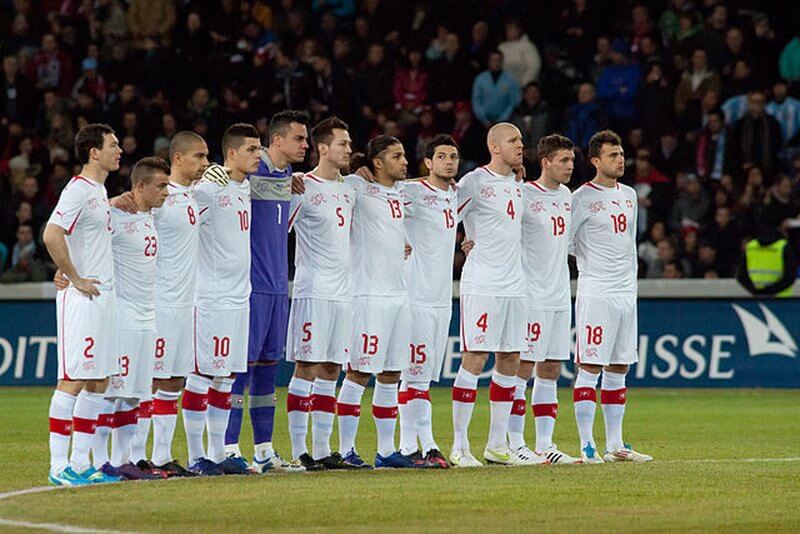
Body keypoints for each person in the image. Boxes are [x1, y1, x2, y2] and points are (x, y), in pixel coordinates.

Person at [224, 111, 309, 473]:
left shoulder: (288, 176)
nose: (305, 145)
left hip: (278, 286)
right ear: (277, 140)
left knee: (267, 370)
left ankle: (263, 450)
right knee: (238, 370)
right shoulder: (247, 172)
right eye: (299, 139)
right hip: (251, 288)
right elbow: (216, 177)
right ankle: (227, 449)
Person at [43, 123, 123, 485]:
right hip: (81, 299)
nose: (119, 149)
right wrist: (72, 275)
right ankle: (59, 467)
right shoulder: (77, 190)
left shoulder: (99, 193)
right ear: (93, 152)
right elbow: (51, 233)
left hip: (102, 298)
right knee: (72, 379)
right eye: (113, 144)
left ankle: (80, 463)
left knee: (98, 381)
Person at [569, 130, 652, 463]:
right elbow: (566, 244)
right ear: (595, 161)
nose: (620, 160)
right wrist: (592, 263)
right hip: (597, 292)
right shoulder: (581, 198)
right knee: (590, 366)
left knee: (619, 367)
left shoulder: (630, 195)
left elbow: (629, 242)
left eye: (621, 154)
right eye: (613, 155)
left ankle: (615, 444)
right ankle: (587, 444)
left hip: (625, 293)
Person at [183, 124, 259, 475]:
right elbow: (177, 217)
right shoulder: (211, 188)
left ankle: (217, 454)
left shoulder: (245, 187)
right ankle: (197, 456)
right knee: (201, 376)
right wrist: (199, 187)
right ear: (231, 154)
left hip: (238, 297)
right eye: (252, 150)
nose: (258, 155)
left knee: (226, 379)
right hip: (211, 297)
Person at [335, 136, 414, 469]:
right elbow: (330, 180)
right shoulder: (356, 186)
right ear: (377, 163)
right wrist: (355, 166)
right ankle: (345, 449)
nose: (405, 161)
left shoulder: (400, 192)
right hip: (368, 296)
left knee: (392, 373)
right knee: (358, 372)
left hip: (398, 294)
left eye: (404, 154)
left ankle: (386, 450)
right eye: (396, 156)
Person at [89, 157, 170, 480]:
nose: (167, 192)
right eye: (161, 186)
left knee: (134, 394)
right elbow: (75, 230)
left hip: (147, 317)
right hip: (121, 317)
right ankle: (98, 462)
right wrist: (64, 274)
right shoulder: (115, 216)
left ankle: (123, 461)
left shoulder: (154, 216)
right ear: (139, 186)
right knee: (112, 392)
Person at [451, 123, 525, 467]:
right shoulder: (474, 182)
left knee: (510, 358)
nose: (521, 146)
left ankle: (497, 445)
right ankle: (460, 446)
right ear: (494, 146)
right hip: (483, 283)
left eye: (521, 141)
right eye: (513, 141)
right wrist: (462, 243)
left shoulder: (518, 183)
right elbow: (445, 216)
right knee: (475, 356)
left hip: (515, 283)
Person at [284, 117, 355, 471]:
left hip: (344, 294)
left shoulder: (350, 189)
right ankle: (300, 451)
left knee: (331, 370)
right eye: (343, 143)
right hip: (313, 292)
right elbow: (277, 229)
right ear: (323, 148)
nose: (349, 149)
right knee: (307, 367)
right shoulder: (302, 188)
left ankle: (324, 450)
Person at [508, 135, 580, 465]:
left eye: (572, 160)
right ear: (545, 162)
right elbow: (501, 229)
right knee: (522, 368)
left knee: (550, 368)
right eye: (563, 160)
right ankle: (513, 441)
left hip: (559, 294)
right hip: (531, 295)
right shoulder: (523, 194)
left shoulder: (567, 196)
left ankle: (546, 443)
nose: (569, 166)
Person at [397, 134, 460, 469]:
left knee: (422, 376)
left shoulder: (455, 194)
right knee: (414, 374)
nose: (449, 161)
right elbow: (374, 196)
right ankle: (417, 445)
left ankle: (416, 445)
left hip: (441, 298)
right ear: (428, 162)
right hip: (416, 295)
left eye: (454, 156)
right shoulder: (412, 191)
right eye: (442, 156)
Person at [151, 131, 209, 477]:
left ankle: (160, 457)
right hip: (159, 304)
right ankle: (130, 456)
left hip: (187, 305)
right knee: (149, 383)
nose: (205, 163)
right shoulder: (160, 197)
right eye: (199, 157)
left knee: (173, 381)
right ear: (177, 158)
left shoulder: (193, 196)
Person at [737, 227, 797, 297]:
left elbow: (741, 275)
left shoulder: (751, 246)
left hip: (757, 297)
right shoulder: (783, 246)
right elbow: (790, 277)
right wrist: (769, 291)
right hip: (782, 299)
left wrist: (755, 290)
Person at [471, 50, 521, 128]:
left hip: (505, 122)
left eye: (499, 60)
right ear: (489, 62)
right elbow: (476, 101)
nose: (496, 63)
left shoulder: (510, 79)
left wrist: (502, 120)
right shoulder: (480, 79)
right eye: (493, 60)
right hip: (483, 122)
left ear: (502, 62)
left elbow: (514, 102)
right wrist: (484, 120)